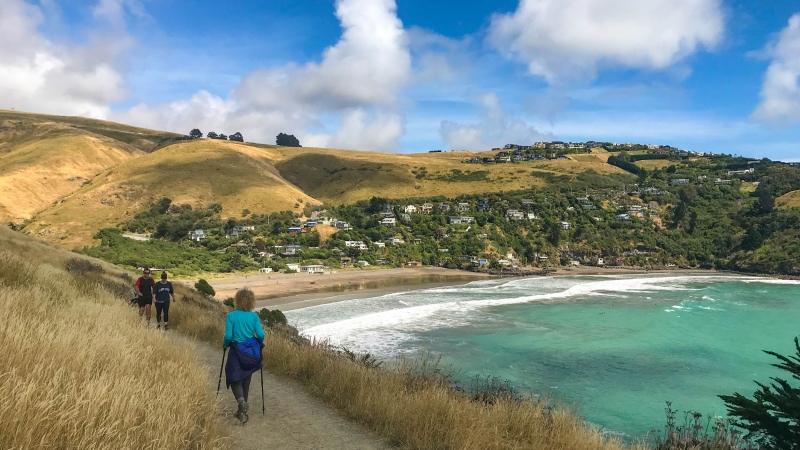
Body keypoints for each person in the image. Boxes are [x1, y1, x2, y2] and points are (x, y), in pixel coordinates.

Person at [223, 288, 265, 424]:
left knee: (235, 379)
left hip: (236, 350)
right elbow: (261, 334)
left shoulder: (231, 316)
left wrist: (225, 345)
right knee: (246, 380)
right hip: (250, 352)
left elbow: (228, 336)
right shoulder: (254, 316)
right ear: (252, 301)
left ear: (237, 300)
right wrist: (257, 343)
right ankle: (242, 411)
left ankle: (242, 404)